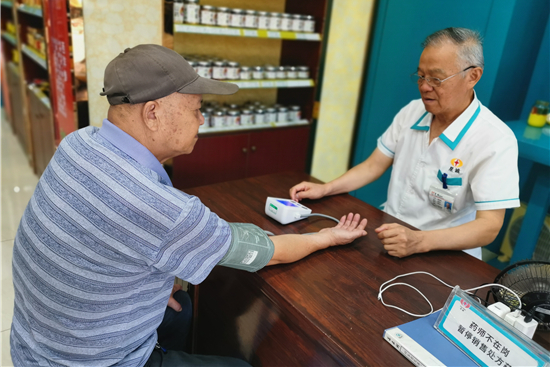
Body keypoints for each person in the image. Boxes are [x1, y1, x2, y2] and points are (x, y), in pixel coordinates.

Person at [10, 45, 368, 367]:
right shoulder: (159, 208)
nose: (201, 120)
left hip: (36, 342)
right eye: (197, 109)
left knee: (181, 308)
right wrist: (328, 237)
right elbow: (266, 252)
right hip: (90, 361)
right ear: (152, 114)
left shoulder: (79, 142)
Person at [290, 27, 519, 260]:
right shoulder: (413, 111)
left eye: (436, 79)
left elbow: (489, 226)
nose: (425, 86)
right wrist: (325, 188)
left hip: (447, 254)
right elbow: (373, 166)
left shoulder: (495, 139)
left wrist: (420, 241)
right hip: (391, 235)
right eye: (421, 76)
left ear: (473, 76)